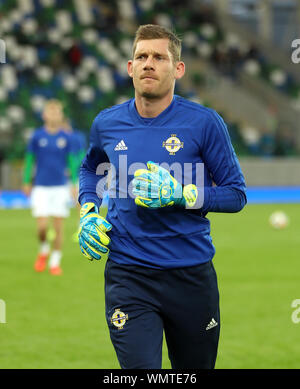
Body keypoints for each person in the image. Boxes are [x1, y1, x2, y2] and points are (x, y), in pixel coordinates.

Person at [78, 24, 247, 369]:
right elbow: (90, 170)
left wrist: (181, 194)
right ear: (129, 67)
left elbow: (236, 194)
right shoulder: (106, 123)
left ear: (178, 69)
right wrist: (88, 210)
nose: (148, 63)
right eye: (141, 56)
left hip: (190, 275)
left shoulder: (204, 123)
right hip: (129, 274)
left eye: (159, 57)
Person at [23, 99, 78, 276]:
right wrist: (26, 181)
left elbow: (71, 161)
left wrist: (74, 183)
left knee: (59, 226)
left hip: (60, 187)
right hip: (41, 187)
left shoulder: (66, 137)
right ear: (44, 115)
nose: (54, 115)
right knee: (41, 227)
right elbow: (30, 159)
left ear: (61, 115)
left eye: (57, 112)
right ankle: (44, 249)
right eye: (51, 112)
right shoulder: (37, 136)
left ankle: (55, 262)